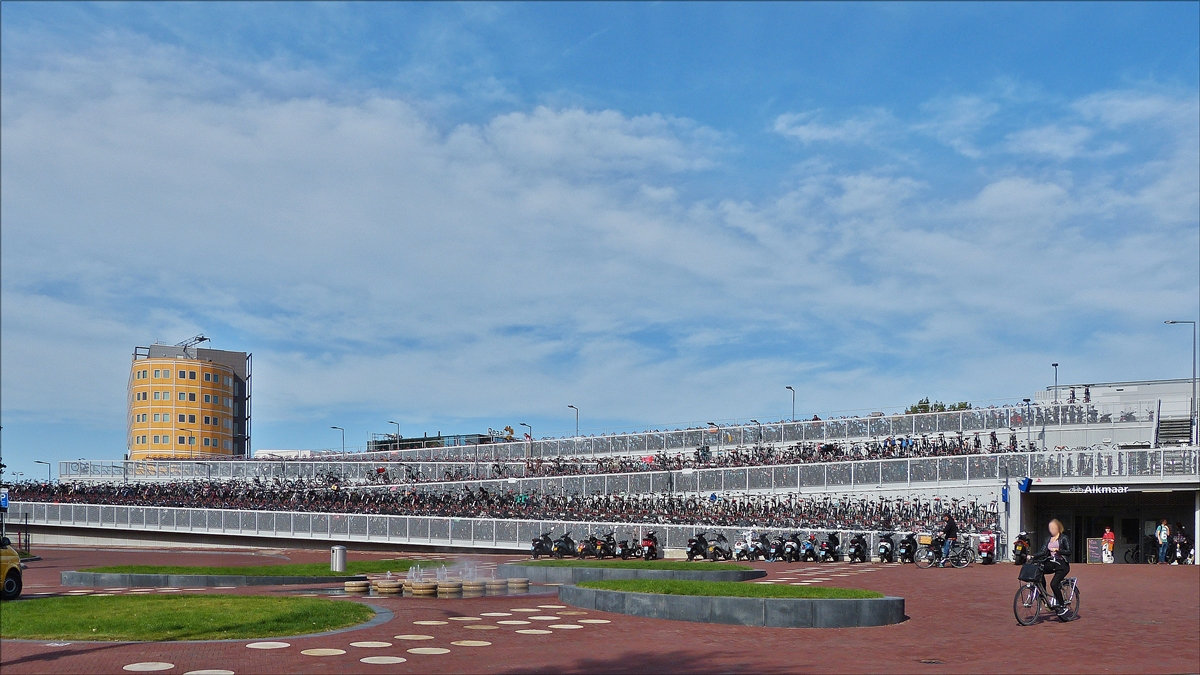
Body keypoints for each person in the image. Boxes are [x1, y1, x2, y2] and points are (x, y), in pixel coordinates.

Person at [1037, 519, 1072, 620]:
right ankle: (1044, 596)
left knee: (1053, 584)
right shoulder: (1048, 539)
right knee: (1039, 570)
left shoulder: (1063, 538)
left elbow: (1069, 551)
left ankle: (1062, 606)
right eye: (1050, 528)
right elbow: (1043, 551)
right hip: (1052, 563)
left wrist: (1058, 550)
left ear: (1058, 528)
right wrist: (1033, 556)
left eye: (1053, 528)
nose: (1051, 530)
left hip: (1062, 564)